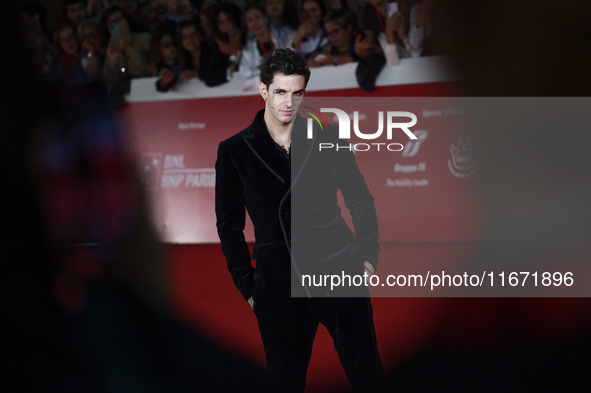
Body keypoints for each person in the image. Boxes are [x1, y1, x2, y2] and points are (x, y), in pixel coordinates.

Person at [215, 48, 383, 393]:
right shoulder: (234, 151)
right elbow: (228, 225)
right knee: (283, 382)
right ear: (264, 90)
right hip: (277, 285)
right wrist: (247, 285)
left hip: (339, 273)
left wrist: (366, 256)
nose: (289, 103)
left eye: (297, 92)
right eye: (280, 92)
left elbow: (360, 200)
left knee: (367, 375)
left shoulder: (329, 138)